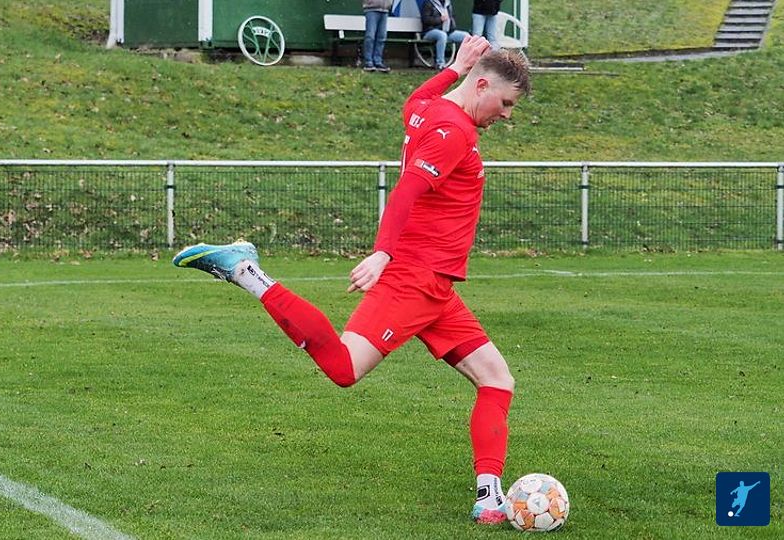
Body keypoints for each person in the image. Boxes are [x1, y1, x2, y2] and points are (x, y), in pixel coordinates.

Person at [173, 36, 531, 526]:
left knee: (497, 379)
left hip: (435, 285)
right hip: (415, 277)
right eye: (506, 103)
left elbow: (414, 99)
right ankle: (246, 271)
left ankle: (488, 497)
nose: (506, 115)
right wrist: (383, 252)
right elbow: (406, 192)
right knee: (343, 367)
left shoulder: (428, 110)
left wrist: (453, 68)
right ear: (483, 85)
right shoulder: (454, 132)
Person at [420, 0, 469, 70]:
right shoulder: (429, 2)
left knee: (466, 36)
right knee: (442, 35)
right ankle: (440, 64)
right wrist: (439, 19)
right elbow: (425, 19)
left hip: (447, 32)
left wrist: (452, 25)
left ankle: (466, 63)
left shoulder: (447, 3)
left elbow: (451, 17)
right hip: (429, 32)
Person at [362, 0, 394, 72]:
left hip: (385, 9)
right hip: (371, 8)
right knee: (370, 36)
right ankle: (368, 62)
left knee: (381, 37)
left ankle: (378, 61)